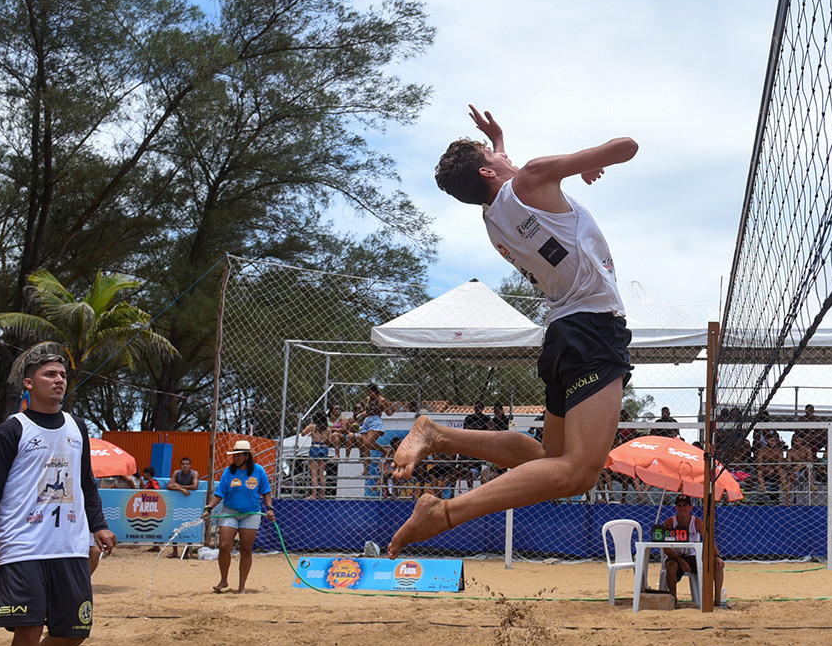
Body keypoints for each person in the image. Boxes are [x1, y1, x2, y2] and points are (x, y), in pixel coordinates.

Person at [386, 105, 637, 557]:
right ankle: (444, 514)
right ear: (487, 168)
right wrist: (588, 161)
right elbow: (628, 147)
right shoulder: (534, 177)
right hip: (594, 327)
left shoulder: (493, 218)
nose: (505, 156)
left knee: (549, 462)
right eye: (494, 154)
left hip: (562, 332)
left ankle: (438, 434)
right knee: (578, 473)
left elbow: (506, 176)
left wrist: (497, 141)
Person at [0, 342, 115, 646]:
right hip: (22, 545)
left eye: (63, 375)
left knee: (74, 631)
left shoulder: (77, 427)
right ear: (29, 383)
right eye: (50, 374)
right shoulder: (12, 430)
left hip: (69, 544)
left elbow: (86, 483)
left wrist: (98, 525)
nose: (59, 380)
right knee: (29, 630)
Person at [201, 440, 273, 594]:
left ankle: (242, 586)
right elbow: (219, 494)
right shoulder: (229, 472)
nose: (235, 458)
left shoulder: (259, 471)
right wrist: (209, 508)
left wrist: (270, 508)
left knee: (246, 549)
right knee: (224, 545)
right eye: (234, 455)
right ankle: (223, 580)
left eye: (238, 455)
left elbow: (266, 491)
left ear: (247, 456)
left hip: (252, 513)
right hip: (230, 511)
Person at [658, 494, 725, 608]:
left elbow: (709, 540)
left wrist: (718, 556)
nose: (682, 508)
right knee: (670, 566)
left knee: (717, 565)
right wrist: (680, 561)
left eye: (685, 505)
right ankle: (674, 599)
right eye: (679, 505)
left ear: (691, 508)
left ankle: (717, 600)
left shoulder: (696, 522)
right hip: (675, 556)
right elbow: (665, 548)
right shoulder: (670, 522)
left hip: (692, 557)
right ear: (676, 508)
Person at [167, 457, 200, 558]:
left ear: (190, 465)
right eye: (183, 464)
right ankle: (175, 551)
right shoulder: (176, 473)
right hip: (178, 504)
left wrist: (177, 486)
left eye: (187, 464)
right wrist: (181, 489)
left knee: (190, 525)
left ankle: (186, 551)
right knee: (175, 525)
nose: (185, 466)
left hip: (191, 505)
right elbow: (169, 486)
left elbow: (195, 486)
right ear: (180, 465)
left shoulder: (194, 473)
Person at [299, 420, 333, 499]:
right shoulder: (328, 428)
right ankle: (322, 494)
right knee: (321, 474)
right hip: (324, 448)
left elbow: (303, 434)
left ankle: (314, 494)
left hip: (315, 447)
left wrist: (309, 428)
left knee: (314, 473)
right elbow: (330, 441)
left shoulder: (312, 427)